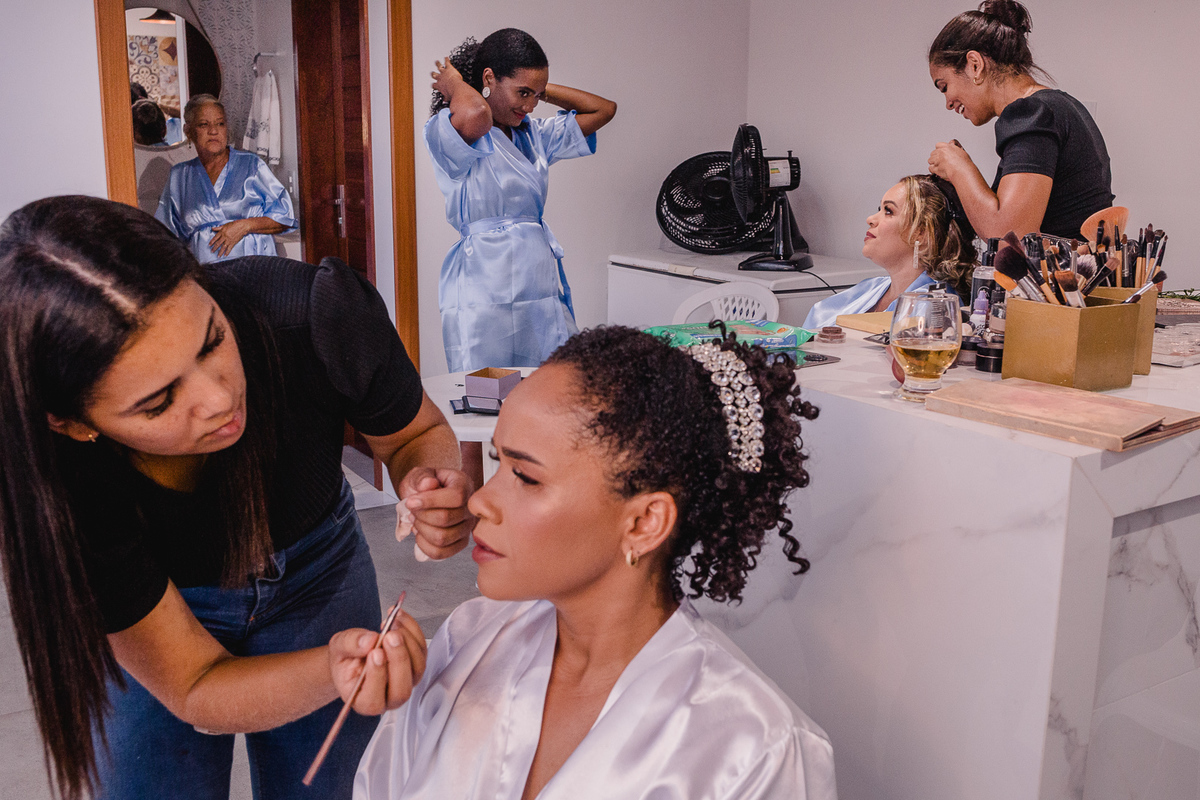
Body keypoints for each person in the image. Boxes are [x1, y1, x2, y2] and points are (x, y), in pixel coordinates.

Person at [0, 196, 476, 800]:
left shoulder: (311, 313)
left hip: (319, 571)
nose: (220, 400)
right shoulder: (62, 487)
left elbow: (417, 435)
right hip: (165, 615)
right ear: (72, 423)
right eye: (158, 402)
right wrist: (330, 669)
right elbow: (196, 683)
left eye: (212, 340)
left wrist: (428, 483)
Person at [355, 325, 836, 800]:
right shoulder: (467, 643)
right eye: (497, 461)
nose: (479, 502)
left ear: (645, 522)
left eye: (524, 476)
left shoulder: (754, 749)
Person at [426, 28, 617, 372]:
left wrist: (540, 91)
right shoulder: (453, 131)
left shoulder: (536, 135)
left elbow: (603, 109)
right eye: (523, 92)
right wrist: (455, 84)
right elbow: (476, 116)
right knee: (487, 386)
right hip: (485, 279)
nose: (529, 105)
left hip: (537, 278)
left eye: (536, 95)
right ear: (489, 79)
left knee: (552, 380)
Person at [925, 0, 1114, 240]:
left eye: (944, 86)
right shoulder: (1063, 106)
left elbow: (1009, 236)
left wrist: (959, 168)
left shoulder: (1032, 113)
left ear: (975, 65)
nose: (948, 103)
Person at [803, 174, 976, 330]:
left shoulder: (936, 306)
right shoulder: (870, 287)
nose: (870, 219)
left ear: (921, 233)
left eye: (888, 211)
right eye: (879, 209)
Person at [156, 94, 297, 263]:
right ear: (189, 131)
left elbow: (285, 219)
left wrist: (244, 226)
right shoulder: (180, 176)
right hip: (205, 274)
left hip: (254, 269)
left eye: (220, 123)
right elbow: (164, 236)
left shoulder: (251, 166)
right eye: (203, 124)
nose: (214, 131)